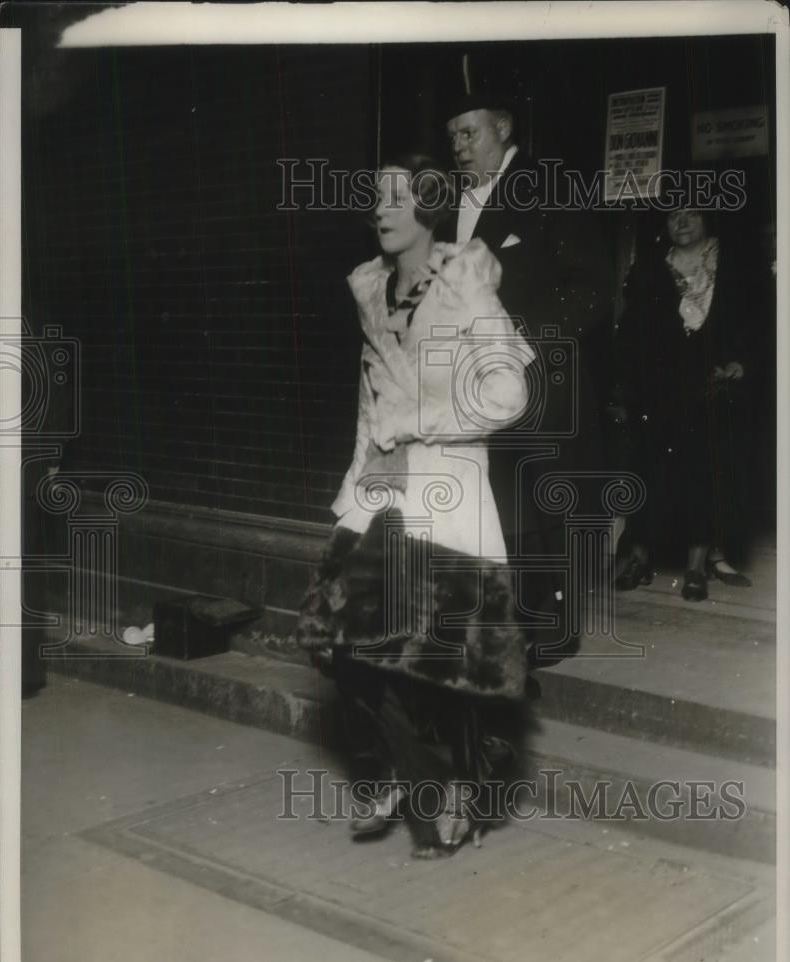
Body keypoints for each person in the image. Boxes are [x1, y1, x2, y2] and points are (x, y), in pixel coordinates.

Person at [297, 154, 535, 858]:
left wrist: (418, 425)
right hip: (378, 494)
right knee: (338, 643)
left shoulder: (464, 284)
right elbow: (368, 406)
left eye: (396, 200)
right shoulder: (370, 291)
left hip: (447, 493)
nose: (380, 211)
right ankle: (390, 776)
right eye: (375, 199)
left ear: (428, 208)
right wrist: (355, 483)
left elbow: (505, 395)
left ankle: (447, 792)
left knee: (439, 667)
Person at [441, 93, 612, 665]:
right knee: (503, 497)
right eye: (455, 138)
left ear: (503, 127)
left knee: (548, 499)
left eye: (470, 133)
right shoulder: (452, 205)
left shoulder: (547, 187)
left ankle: (558, 628)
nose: (461, 148)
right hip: (477, 381)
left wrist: (524, 337)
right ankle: (519, 619)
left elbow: (590, 289)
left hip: (542, 373)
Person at [611, 209, 755, 601]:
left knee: (704, 474)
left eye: (692, 213)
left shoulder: (733, 264)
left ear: (708, 219)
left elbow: (754, 320)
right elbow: (631, 331)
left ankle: (695, 569)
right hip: (658, 389)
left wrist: (742, 361)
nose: (682, 221)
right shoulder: (649, 269)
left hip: (713, 385)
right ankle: (639, 559)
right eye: (674, 216)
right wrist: (625, 386)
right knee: (647, 471)